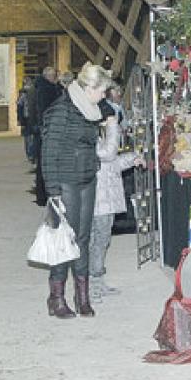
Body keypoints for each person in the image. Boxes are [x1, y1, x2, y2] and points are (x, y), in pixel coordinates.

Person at [40, 62, 112, 318]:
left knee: (83, 237)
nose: (104, 95)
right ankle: (56, 296)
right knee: (64, 238)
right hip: (66, 179)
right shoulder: (61, 110)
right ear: (88, 87)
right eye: (102, 90)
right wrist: (53, 189)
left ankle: (82, 296)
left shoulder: (91, 109)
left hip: (86, 178)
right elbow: (48, 150)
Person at [89, 102, 142, 302]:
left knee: (103, 240)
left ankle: (98, 280)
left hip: (107, 196)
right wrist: (113, 127)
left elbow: (111, 165)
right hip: (97, 198)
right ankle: (91, 284)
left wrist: (131, 159)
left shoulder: (101, 136)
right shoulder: (91, 136)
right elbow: (107, 154)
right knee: (95, 241)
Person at [33, 67, 63, 206]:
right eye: (53, 75)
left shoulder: (41, 88)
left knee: (43, 163)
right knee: (47, 163)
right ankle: (45, 194)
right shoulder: (47, 90)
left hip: (42, 129)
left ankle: (42, 194)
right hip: (47, 130)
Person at [16, 76, 37, 165]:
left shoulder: (23, 93)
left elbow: (19, 106)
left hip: (26, 118)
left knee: (28, 138)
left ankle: (30, 154)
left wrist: (20, 120)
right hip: (32, 117)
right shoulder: (34, 92)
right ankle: (32, 154)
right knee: (33, 137)